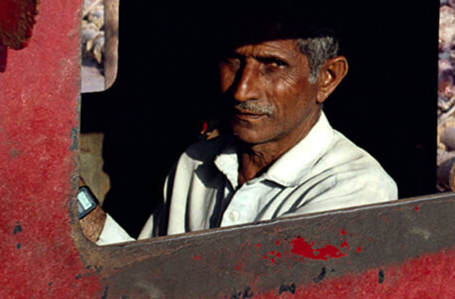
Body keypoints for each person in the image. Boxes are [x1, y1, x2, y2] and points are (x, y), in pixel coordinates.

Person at [80, 21, 397, 243]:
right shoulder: (195, 163)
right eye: (233, 61)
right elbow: (143, 282)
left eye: (272, 66)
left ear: (327, 77)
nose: (242, 90)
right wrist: (82, 210)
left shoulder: (357, 189)